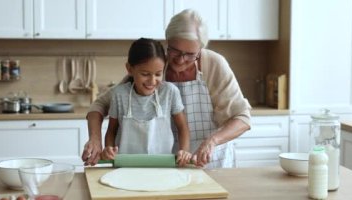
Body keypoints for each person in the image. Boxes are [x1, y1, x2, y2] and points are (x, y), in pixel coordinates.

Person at [82, 9, 251, 168]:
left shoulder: (214, 64)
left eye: (190, 55)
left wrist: (212, 141)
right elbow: (99, 105)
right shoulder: (156, 67)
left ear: (200, 49)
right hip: (172, 163)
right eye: (175, 51)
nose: (180, 60)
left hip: (211, 161)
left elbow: (243, 118)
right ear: (167, 42)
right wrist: (95, 140)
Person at [96, 38, 191, 167]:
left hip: (162, 167)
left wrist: (184, 151)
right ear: (130, 69)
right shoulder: (119, 94)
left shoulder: (170, 92)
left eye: (158, 74)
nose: (152, 81)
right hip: (126, 167)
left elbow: (183, 128)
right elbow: (111, 131)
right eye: (145, 74)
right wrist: (109, 149)